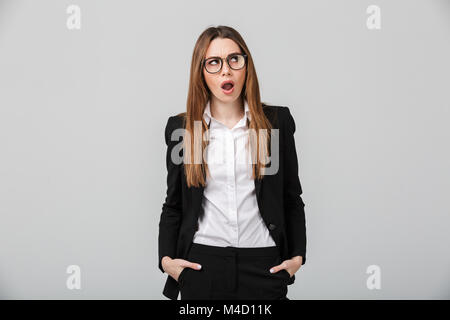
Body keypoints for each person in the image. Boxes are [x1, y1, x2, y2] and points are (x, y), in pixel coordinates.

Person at [158, 25, 307, 300]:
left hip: (265, 265)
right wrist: (167, 261)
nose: (225, 70)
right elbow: (174, 204)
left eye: (234, 59)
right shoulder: (183, 130)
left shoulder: (275, 124)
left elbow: (291, 197)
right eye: (213, 62)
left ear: (246, 66)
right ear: (201, 72)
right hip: (202, 266)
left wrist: (297, 257)